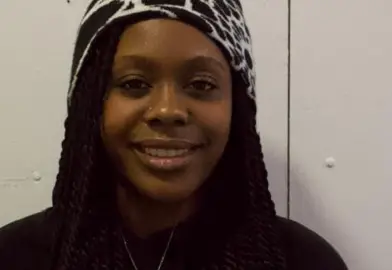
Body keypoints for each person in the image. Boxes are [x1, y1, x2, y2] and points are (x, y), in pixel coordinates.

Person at [0, 0, 348, 269]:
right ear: (90, 104)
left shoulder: (302, 260)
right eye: (134, 84)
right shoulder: (16, 257)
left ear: (237, 107)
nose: (168, 110)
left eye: (201, 84)